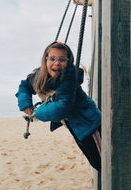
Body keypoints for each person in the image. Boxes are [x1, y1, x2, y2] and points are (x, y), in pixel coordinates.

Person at [15, 42, 101, 172]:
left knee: (101, 161)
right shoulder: (40, 75)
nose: (57, 63)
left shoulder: (69, 78)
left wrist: (36, 113)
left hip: (90, 125)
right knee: (96, 162)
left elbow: (62, 107)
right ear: (45, 60)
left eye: (62, 59)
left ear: (69, 61)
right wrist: (26, 105)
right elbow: (24, 87)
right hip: (75, 126)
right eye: (52, 59)